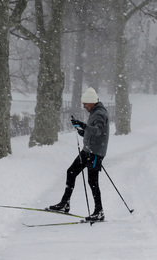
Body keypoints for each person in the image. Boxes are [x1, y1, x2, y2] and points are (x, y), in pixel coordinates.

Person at [48, 87, 109, 221]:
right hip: (88, 150)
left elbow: (98, 131)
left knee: (93, 181)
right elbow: (93, 132)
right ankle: (65, 203)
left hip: (95, 153)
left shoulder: (99, 114)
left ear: (92, 102)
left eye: (85, 103)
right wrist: (83, 131)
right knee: (71, 172)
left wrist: (84, 125)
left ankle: (99, 211)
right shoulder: (95, 112)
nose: (83, 106)